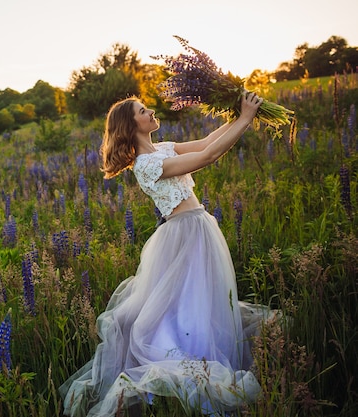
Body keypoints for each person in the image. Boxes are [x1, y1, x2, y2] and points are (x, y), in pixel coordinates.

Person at [60, 92, 268, 416]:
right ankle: (195, 380)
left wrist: (236, 114)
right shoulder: (145, 165)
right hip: (183, 235)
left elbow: (208, 140)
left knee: (204, 303)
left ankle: (201, 371)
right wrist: (245, 119)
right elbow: (208, 157)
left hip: (198, 228)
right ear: (132, 126)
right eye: (143, 110)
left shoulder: (164, 148)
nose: (151, 110)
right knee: (188, 309)